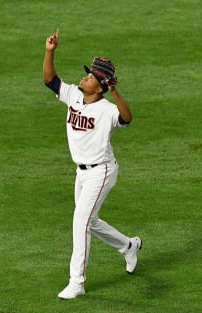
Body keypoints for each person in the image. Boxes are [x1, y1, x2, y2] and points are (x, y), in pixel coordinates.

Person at [43, 28, 142, 299]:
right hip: (81, 172)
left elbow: (127, 119)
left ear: (99, 87)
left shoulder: (108, 109)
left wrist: (116, 93)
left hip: (102, 171)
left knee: (80, 221)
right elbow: (50, 80)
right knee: (90, 221)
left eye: (90, 76)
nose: (85, 76)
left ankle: (77, 281)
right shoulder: (74, 95)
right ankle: (128, 246)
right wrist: (50, 51)